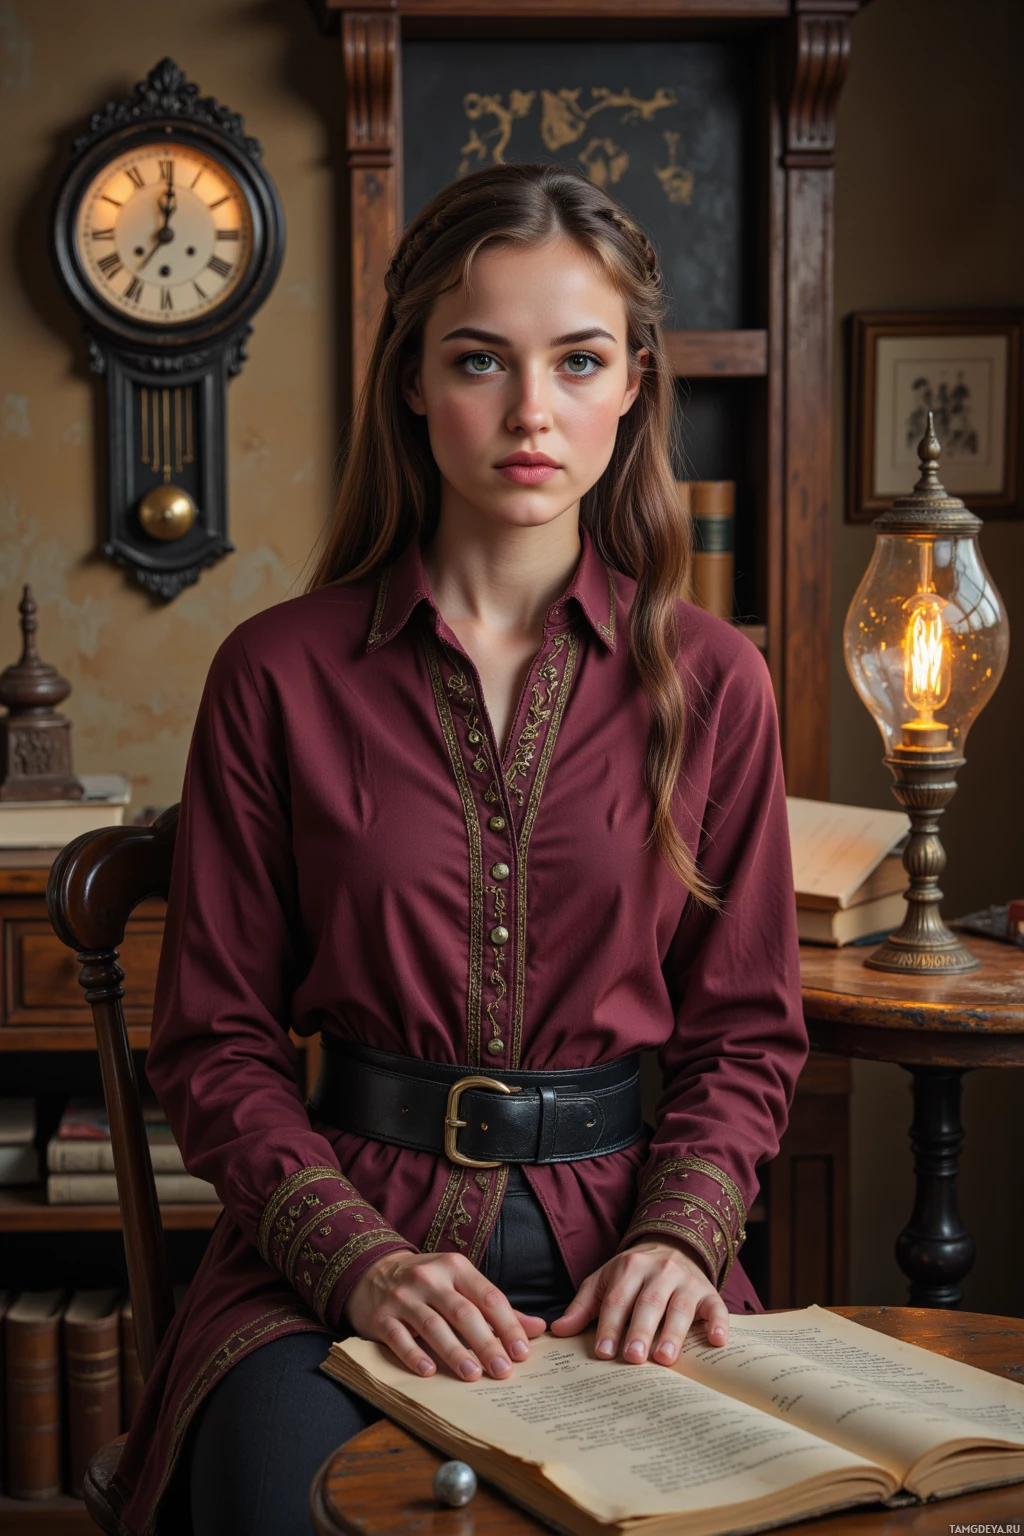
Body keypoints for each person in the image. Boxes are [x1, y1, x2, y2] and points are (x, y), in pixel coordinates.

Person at [112, 161, 806, 1536]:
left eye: (580, 360)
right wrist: (361, 1265)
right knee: (284, 1508)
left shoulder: (715, 682)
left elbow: (744, 1036)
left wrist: (679, 1238)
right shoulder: (276, 675)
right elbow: (215, 1042)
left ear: (634, 385)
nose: (532, 412)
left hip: (631, 1252)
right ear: (415, 381)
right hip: (336, 1250)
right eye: (481, 359)